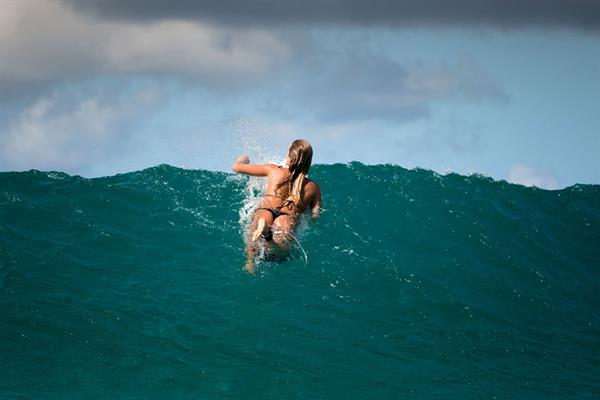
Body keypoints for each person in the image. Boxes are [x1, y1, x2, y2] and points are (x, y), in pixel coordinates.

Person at [232, 139, 322, 273]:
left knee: (254, 237)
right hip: (287, 217)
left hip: (266, 210)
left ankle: (250, 262)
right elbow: (316, 215)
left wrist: (242, 160)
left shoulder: (273, 170)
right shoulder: (313, 187)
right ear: (308, 162)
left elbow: (236, 168)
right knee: (282, 250)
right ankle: (269, 236)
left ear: (289, 157)